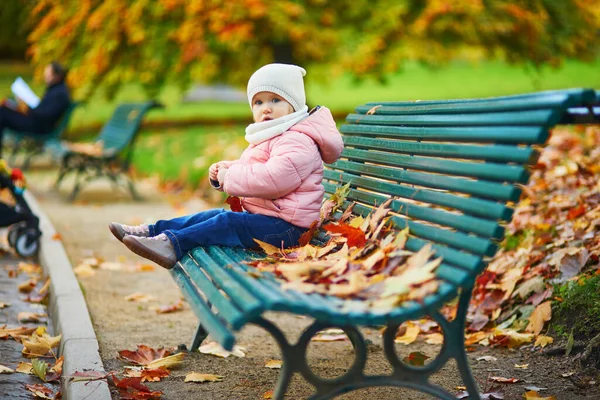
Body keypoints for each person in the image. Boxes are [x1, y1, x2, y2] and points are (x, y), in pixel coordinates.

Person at [109, 63, 344, 269]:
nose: (266, 108)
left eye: (275, 100)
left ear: (294, 104)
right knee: (213, 216)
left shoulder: (298, 140)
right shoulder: (277, 135)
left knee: (227, 221)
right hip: (268, 219)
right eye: (259, 102)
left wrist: (230, 177)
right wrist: (227, 169)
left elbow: (274, 179)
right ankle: (153, 231)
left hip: (287, 229)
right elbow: (256, 167)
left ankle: (172, 245)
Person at [0, 61, 71, 158]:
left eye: (48, 74)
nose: (45, 77)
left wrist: (26, 107)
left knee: (3, 114)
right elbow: (43, 109)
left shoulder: (59, 93)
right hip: (37, 122)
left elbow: (45, 114)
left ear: (57, 76)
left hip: (39, 127)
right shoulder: (56, 89)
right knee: (4, 109)